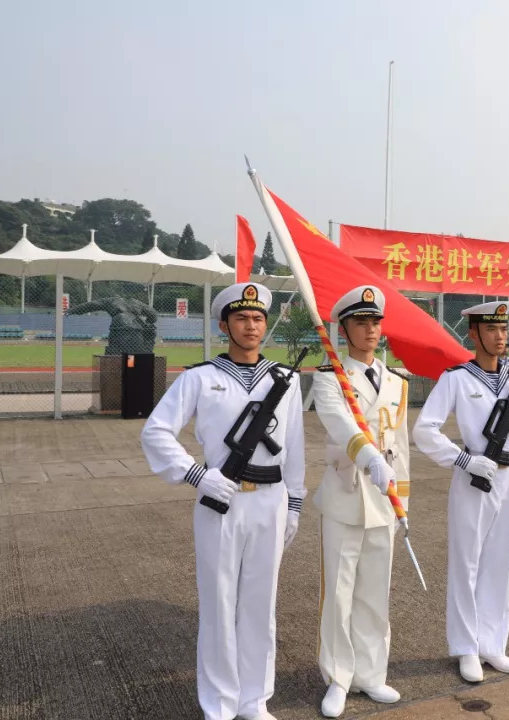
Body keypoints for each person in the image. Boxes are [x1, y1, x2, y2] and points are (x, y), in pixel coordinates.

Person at [140, 282, 305, 720]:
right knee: (218, 603)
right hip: (221, 501)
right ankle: (219, 704)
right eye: (241, 319)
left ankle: (254, 700)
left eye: (257, 319)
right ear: (223, 325)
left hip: (270, 501)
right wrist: (197, 475)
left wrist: (294, 504)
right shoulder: (200, 378)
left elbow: (295, 448)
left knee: (259, 604)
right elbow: (156, 432)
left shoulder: (285, 381)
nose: (251, 326)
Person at [412, 301, 509, 683]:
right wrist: (462, 460)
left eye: (504, 329)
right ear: (474, 334)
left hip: (508, 480)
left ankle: (492, 643)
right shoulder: (457, 378)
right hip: (473, 479)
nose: (501, 337)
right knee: (467, 566)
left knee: (499, 564)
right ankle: (465, 647)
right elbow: (424, 430)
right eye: (492, 330)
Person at [309, 285, 409, 717]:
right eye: (361, 322)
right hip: (346, 496)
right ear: (344, 329)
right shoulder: (330, 378)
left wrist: (402, 501)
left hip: (383, 502)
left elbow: (400, 447)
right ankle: (338, 677)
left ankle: (371, 674)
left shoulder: (396, 383)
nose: (370, 329)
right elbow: (337, 423)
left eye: (375, 322)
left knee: (375, 593)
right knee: (340, 594)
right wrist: (368, 457)